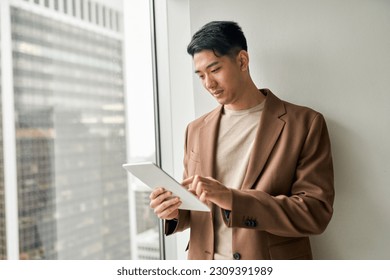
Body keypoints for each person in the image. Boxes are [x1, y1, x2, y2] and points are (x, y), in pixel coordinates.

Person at [149, 21, 334, 260]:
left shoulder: (305, 124)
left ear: (242, 61)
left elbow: (314, 213)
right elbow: (197, 207)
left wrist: (232, 199)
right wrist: (174, 211)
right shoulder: (194, 130)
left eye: (214, 70)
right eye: (201, 75)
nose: (208, 83)